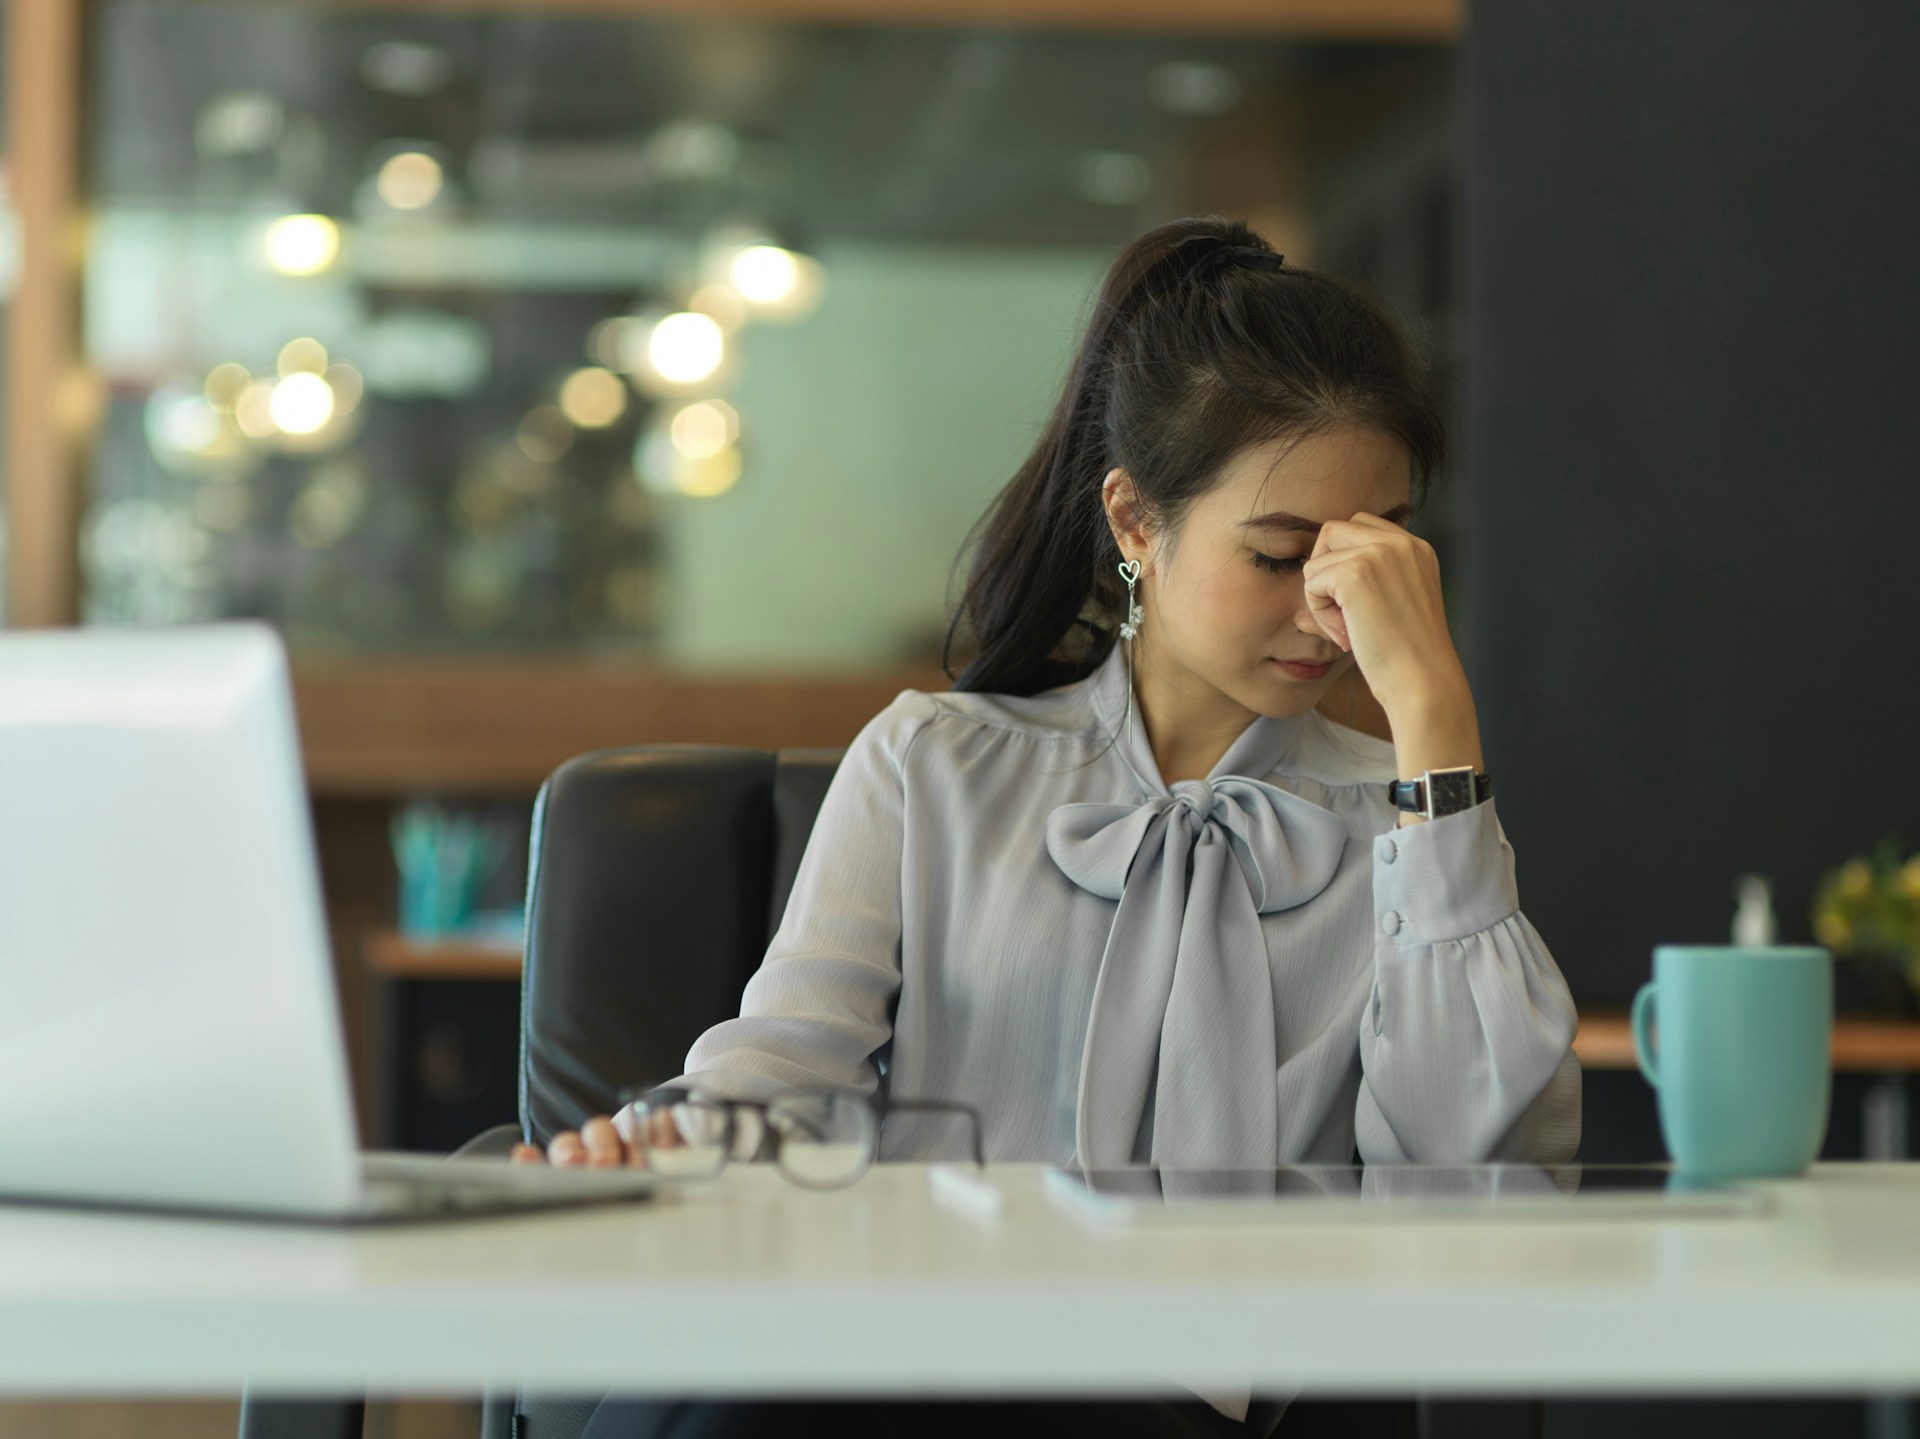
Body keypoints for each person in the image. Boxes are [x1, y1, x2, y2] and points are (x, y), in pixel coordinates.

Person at [514, 215, 1582, 1437]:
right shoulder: (938, 764)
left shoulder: (1410, 825)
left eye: (1369, 560)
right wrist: (657, 1148)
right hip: (917, 1368)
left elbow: (1484, 1189)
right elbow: (785, 1072)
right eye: (1281, 556)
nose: (1327, 614)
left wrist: (1436, 723)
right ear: (1135, 521)